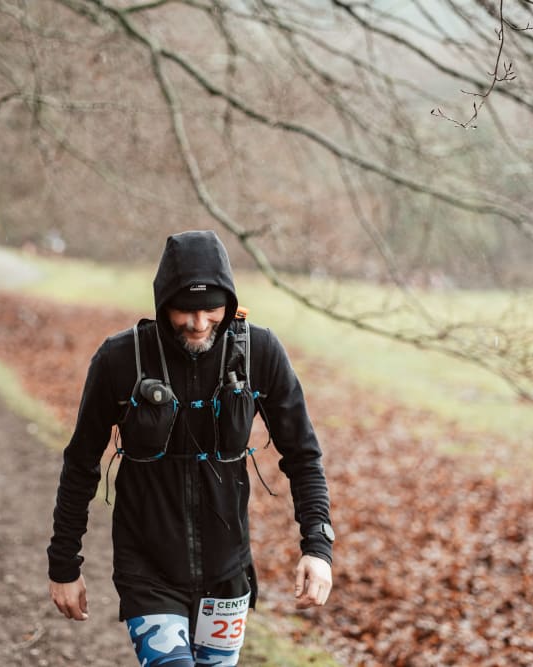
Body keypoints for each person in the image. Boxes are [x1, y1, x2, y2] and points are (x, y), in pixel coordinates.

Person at [48, 230, 334, 666]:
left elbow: (303, 456)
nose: (199, 323)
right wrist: (63, 564)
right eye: (185, 309)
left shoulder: (259, 353)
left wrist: (317, 546)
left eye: (211, 309)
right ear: (163, 304)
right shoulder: (120, 359)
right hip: (148, 570)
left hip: (227, 573)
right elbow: (81, 464)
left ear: (230, 304)